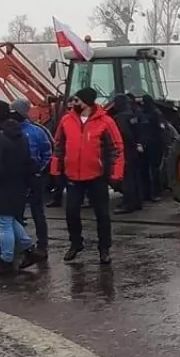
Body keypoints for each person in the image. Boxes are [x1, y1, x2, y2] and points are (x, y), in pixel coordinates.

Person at [51, 87, 124, 265]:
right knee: (71, 212)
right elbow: (59, 145)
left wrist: (116, 173)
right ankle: (76, 244)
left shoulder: (105, 122)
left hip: (96, 176)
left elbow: (116, 148)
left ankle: (104, 249)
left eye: (77, 100)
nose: (74, 103)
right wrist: (56, 170)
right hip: (73, 176)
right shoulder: (66, 120)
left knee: (102, 215)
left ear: (87, 102)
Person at [0, 101, 39, 277]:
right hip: (18, 183)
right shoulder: (19, 134)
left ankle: (6, 260)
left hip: (2, 185)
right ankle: (29, 249)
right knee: (10, 219)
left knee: (3, 223)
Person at [11, 98, 52, 256]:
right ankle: (21, 243)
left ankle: (42, 244)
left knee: (37, 211)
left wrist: (39, 169)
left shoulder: (37, 130)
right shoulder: (8, 129)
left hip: (33, 177)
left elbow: (47, 152)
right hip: (16, 177)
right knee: (16, 211)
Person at [109, 94, 143, 214]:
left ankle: (128, 204)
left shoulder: (120, 118)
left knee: (127, 178)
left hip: (126, 150)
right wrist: (138, 143)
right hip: (134, 150)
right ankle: (137, 202)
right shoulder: (132, 115)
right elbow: (138, 131)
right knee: (135, 176)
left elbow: (124, 133)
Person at [135, 93, 166, 201]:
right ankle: (147, 193)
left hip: (153, 145)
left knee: (154, 170)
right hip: (146, 145)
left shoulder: (155, 114)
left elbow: (161, 129)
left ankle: (155, 193)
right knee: (145, 169)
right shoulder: (142, 114)